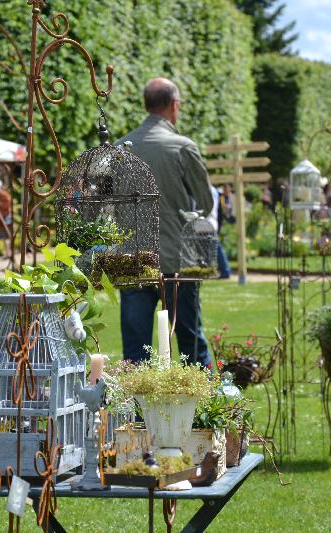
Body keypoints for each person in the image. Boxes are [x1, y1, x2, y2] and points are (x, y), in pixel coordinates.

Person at [117, 77, 214, 366]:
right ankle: (201, 409)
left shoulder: (122, 148)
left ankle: (134, 411)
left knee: (136, 353)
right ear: (174, 105)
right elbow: (207, 203)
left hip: (132, 258)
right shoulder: (182, 147)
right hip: (178, 261)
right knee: (190, 346)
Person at [210, 185, 231, 279]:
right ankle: (224, 271)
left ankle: (225, 271)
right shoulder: (217, 193)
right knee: (216, 247)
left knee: (217, 247)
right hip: (213, 222)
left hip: (210, 223)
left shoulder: (216, 193)